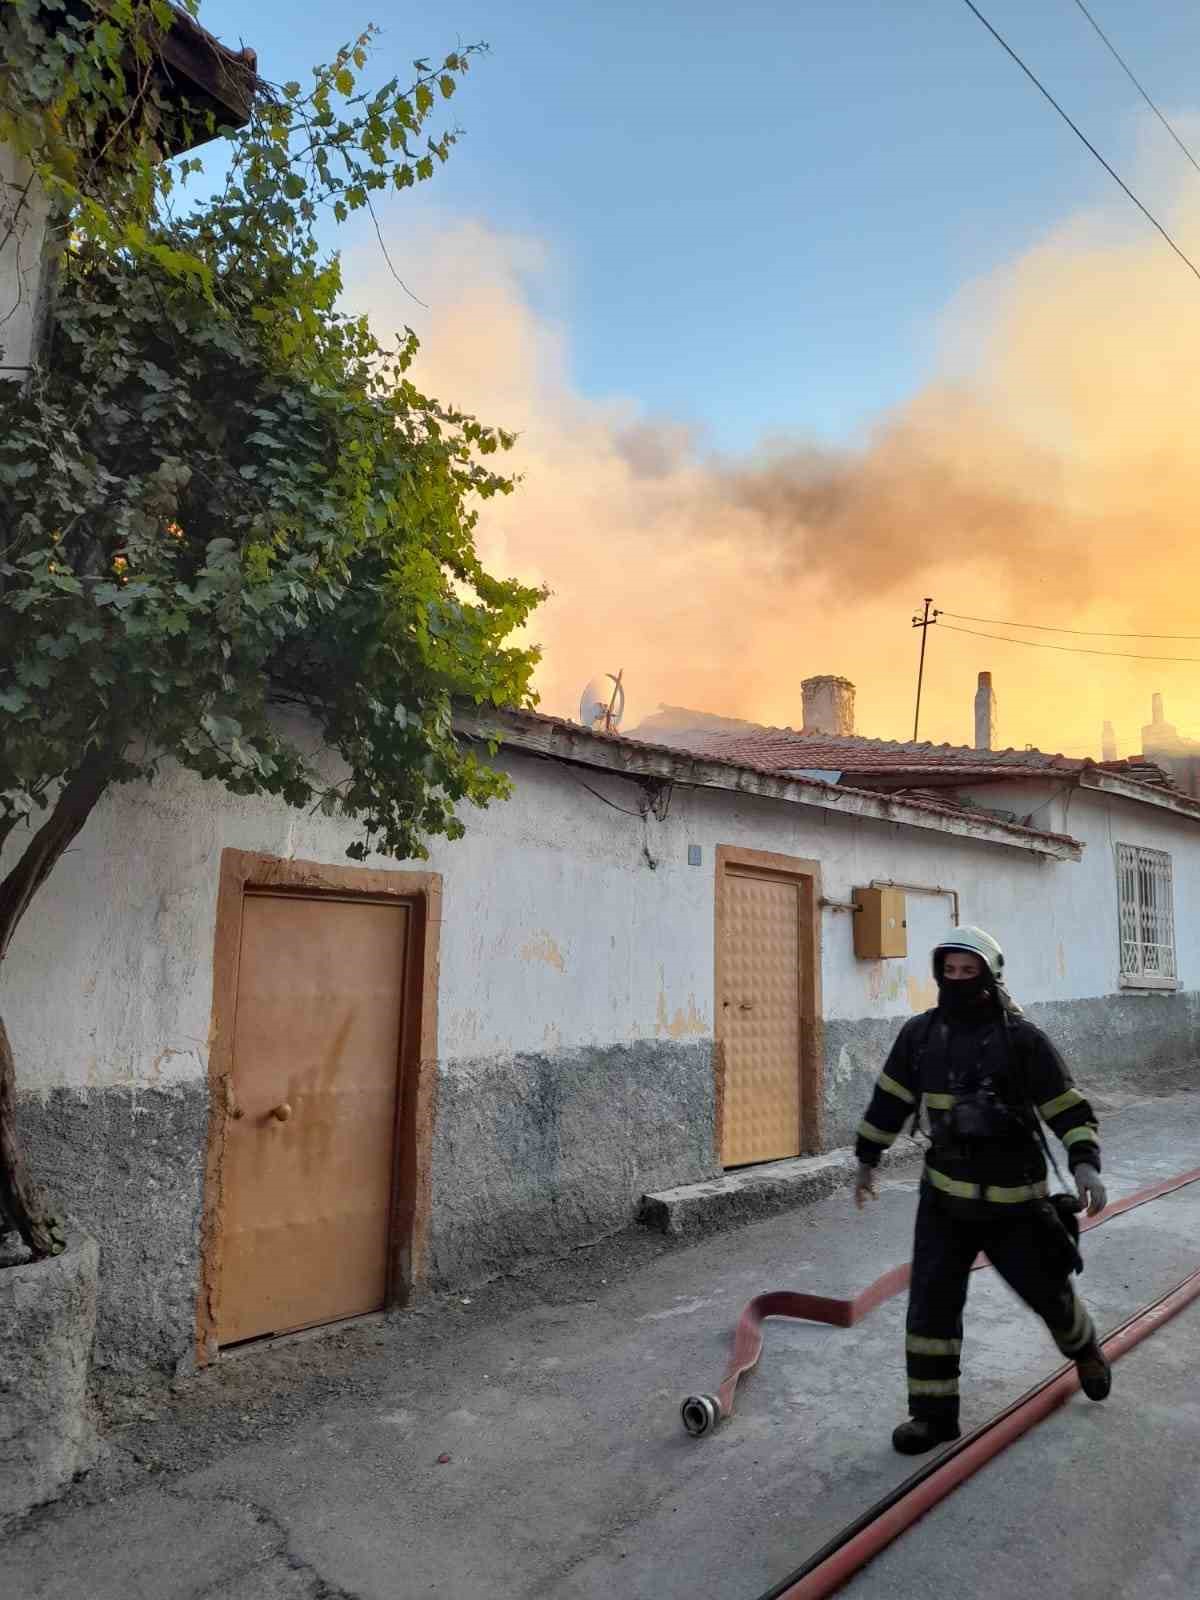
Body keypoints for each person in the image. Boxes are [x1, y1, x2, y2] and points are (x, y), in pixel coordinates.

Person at [853, 925, 1111, 1455]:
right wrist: (867, 1158)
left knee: (1049, 1293)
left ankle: (1084, 1348)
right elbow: (890, 1099)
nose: (958, 981)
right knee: (930, 1307)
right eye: (950, 972)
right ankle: (931, 1417)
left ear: (990, 977)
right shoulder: (920, 1037)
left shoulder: (1023, 1041)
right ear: (938, 974)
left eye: (969, 973)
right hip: (944, 1202)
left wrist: (1084, 1164)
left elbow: (1067, 1108)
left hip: (1015, 1204)